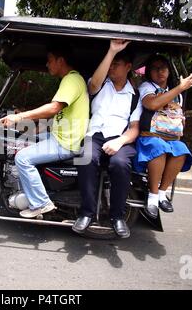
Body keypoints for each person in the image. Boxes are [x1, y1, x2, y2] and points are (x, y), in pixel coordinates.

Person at [0, 43, 89, 218]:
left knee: (22, 158)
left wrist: (19, 117)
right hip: (60, 135)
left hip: (65, 142)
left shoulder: (72, 80)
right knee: (21, 139)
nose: (47, 65)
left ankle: (41, 203)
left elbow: (54, 108)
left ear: (60, 61)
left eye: (49, 60)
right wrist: (26, 123)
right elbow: (58, 114)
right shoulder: (70, 80)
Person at [72, 39, 142, 239]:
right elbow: (93, 84)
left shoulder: (135, 96)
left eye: (116, 64)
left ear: (128, 67)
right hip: (94, 136)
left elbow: (134, 129)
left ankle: (117, 217)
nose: (112, 68)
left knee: (120, 163)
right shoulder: (101, 84)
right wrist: (111, 51)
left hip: (120, 139)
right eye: (110, 64)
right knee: (85, 156)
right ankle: (86, 214)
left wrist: (119, 142)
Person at [135, 54, 192, 218]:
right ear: (149, 72)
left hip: (171, 139)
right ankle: (153, 197)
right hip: (150, 137)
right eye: (155, 68)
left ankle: (162, 193)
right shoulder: (147, 87)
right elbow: (152, 104)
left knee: (182, 150)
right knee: (158, 147)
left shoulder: (177, 94)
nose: (160, 71)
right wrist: (180, 88)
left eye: (163, 68)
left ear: (169, 71)